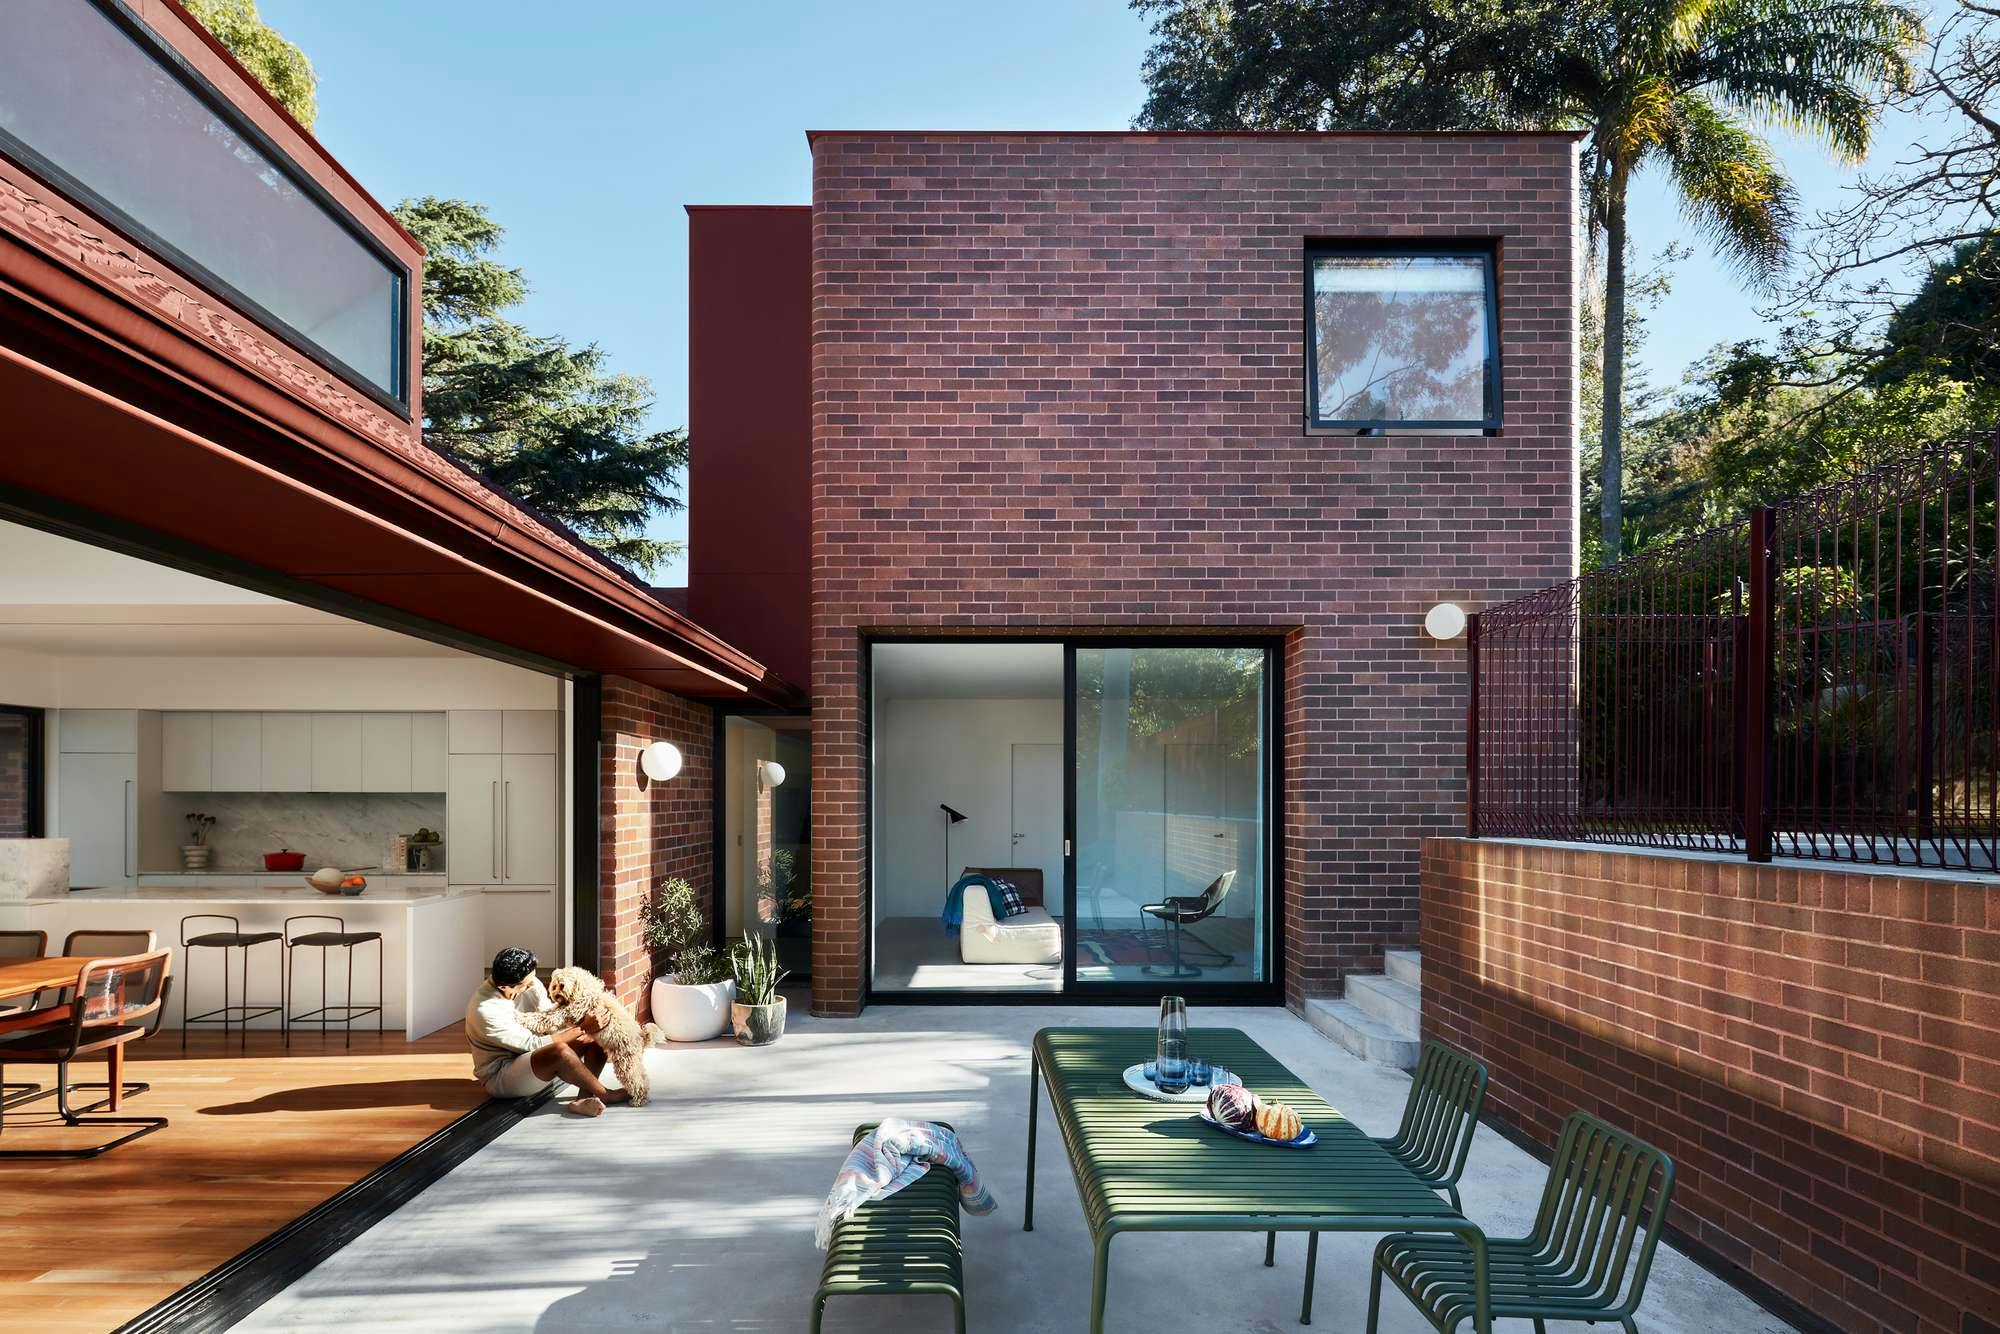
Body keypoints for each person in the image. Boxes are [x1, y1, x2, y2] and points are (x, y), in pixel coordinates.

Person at [466, 946, 627, 1116]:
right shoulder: (485, 1010)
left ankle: (583, 1098)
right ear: (504, 987)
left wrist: (587, 1019)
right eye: (526, 985)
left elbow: (550, 1019)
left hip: (534, 1059)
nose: (532, 985)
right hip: (503, 1075)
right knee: (560, 1051)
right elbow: (532, 1045)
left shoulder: (529, 982)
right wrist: (583, 1027)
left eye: (532, 979)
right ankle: (606, 1094)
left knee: (595, 1035)